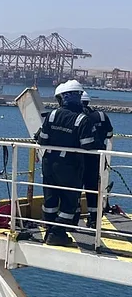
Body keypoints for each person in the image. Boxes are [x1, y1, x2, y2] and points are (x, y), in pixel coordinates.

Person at [36, 80, 96, 245]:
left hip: (48, 163)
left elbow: (42, 140)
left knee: (50, 199)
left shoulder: (52, 115)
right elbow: (88, 146)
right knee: (69, 202)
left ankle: (49, 230)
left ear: (62, 98)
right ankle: (57, 233)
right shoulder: (83, 120)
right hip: (69, 166)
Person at [81, 91, 114, 228]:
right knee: (93, 188)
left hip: (77, 158)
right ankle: (94, 219)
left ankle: (72, 218)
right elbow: (110, 133)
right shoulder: (101, 115)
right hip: (96, 158)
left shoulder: (79, 117)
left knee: (73, 188)